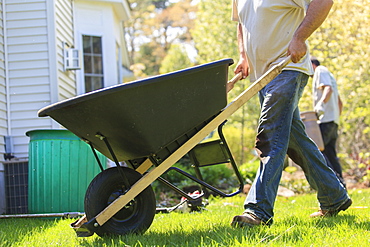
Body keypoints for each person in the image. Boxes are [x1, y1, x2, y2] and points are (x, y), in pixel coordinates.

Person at [230, 0, 351, 227]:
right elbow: (242, 24)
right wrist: (243, 55)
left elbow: (323, 2)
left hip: (287, 68)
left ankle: (259, 211)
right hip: (262, 78)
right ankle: (334, 196)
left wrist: (299, 38)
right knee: (296, 142)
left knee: (270, 136)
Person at [311, 57, 345, 187]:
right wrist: (337, 117)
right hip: (333, 121)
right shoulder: (329, 74)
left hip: (325, 120)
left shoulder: (320, 70)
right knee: (331, 154)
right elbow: (339, 102)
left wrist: (321, 104)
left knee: (319, 153)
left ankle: (333, 186)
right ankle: (341, 186)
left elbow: (328, 89)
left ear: (312, 65)